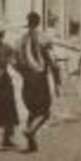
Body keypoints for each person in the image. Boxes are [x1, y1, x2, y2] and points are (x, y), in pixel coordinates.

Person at [15, 12, 62, 152]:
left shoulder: (21, 40)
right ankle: (31, 131)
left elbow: (15, 62)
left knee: (32, 111)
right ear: (39, 22)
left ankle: (31, 144)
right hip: (40, 79)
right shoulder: (44, 39)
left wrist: (24, 73)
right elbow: (52, 62)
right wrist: (57, 81)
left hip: (27, 80)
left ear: (28, 22)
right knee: (44, 112)